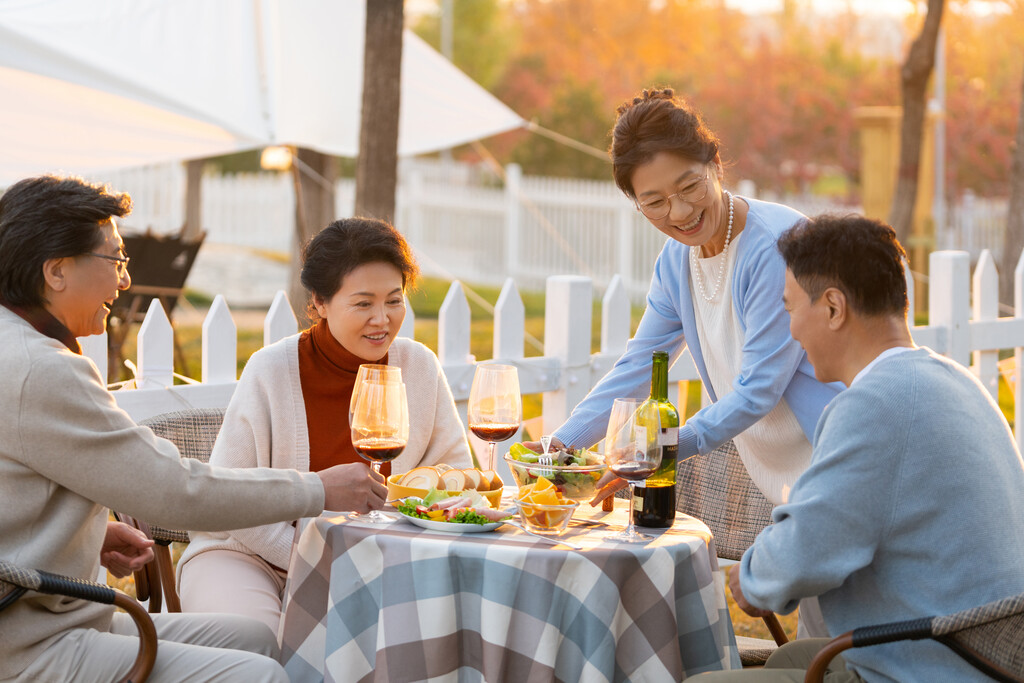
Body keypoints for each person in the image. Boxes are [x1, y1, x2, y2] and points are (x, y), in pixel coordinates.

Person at [0, 175, 388, 683]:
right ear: (56, 271)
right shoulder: (39, 367)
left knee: (260, 640)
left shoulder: (18, 346)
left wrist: (86, 535)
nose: (124, 280)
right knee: (261, 676)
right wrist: (318, 488)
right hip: (30, 646)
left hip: (46, 615)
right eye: (116, 260)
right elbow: (173, 490)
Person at [536, 88, 841, 635]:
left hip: (833, 448)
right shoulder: (676, 261)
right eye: (653, 202)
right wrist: (561, 445)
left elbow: (759, 389)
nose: (677, 213)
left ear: (716, 165)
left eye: (689, 187)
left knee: (845, 632)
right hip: (781, 465)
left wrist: (659, 450)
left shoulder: (774, 245)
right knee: (826, 638)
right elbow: (639, 363)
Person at [692, 214, 1024, 682]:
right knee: (792, 658)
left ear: (832, 308)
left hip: (927, 664)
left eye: (789, 308)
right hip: (983, 657)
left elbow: (802, 554)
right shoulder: (958, 382)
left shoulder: (874, 405)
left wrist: (748, 578)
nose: (790, 332)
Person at [178, 217, 473, 632]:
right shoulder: (272, 370)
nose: (382, 319)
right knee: (254, 642)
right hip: (250, 555)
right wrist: (314, 557)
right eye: (363, 303)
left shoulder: (418, 366)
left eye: (394, 300)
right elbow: (230, 503)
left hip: (385, 557)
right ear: (318, 301)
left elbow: (456, 473)